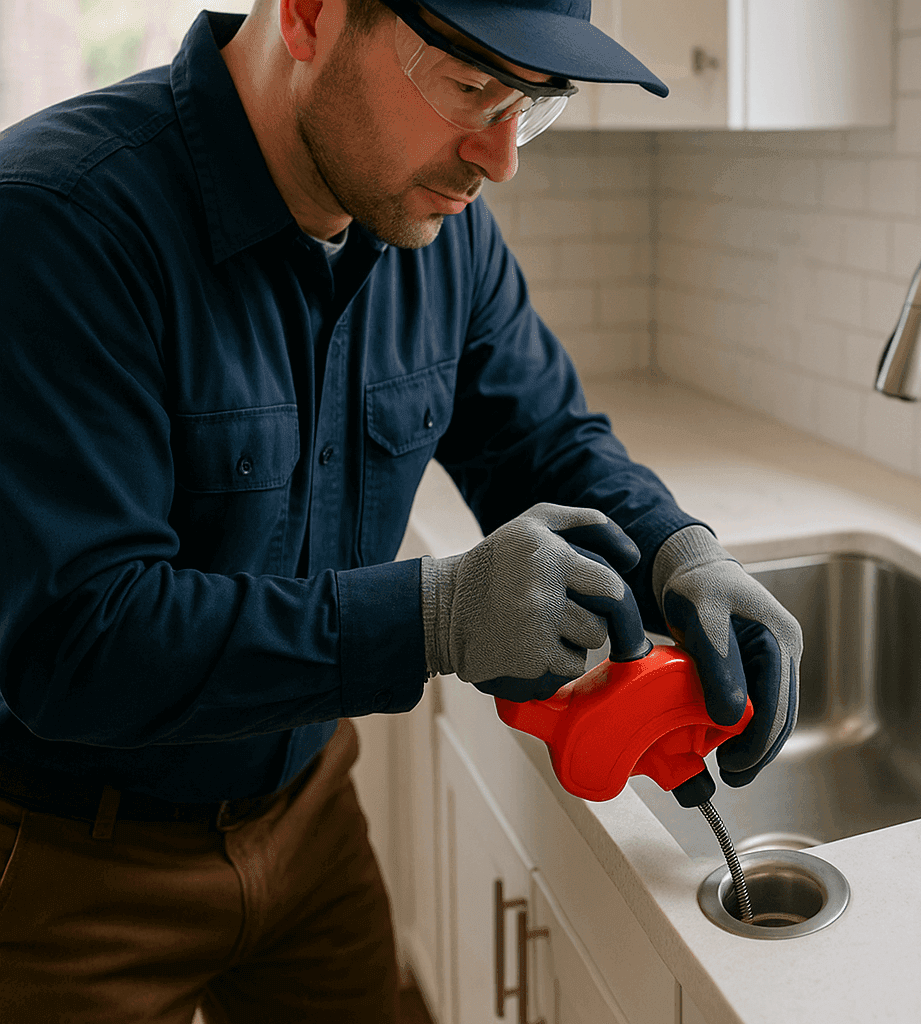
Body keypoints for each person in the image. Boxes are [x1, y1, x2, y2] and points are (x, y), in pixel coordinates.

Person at [0, 1, 802, 1020]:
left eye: (532, 103)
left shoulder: (439, 230)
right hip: (67, 870)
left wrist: (678, 550)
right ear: (309, 15)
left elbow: (545, 442)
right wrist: (431, 617)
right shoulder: (57, 222)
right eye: (471, 86)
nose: (500, 157)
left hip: (309, 821)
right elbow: (77, 643)